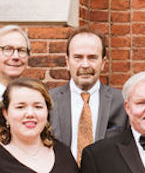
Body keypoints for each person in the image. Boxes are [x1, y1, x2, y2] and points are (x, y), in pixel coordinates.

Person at [49, 29, 126, 163]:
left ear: (103, 63)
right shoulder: (49, 101)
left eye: (92, 58)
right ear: (67, 62)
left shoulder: (122, 102)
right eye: (78, 57)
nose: (85, 65)